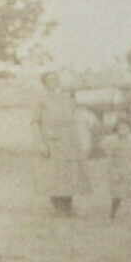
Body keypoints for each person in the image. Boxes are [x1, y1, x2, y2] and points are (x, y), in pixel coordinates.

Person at [31, 71, 92, 214]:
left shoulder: (67, 98)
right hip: (51, 140)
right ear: (44, 83)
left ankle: (68, 206)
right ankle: (58, 207)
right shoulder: (40, 99)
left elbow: (76, 117)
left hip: (69, 140)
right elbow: (35, 122)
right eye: (50, 79)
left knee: (69, 173)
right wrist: (41, 143)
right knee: (53, 173)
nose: (54, 81)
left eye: (56, 79)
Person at [104, 118, 131, 219]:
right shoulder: (112, 141)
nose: (123, 130)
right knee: (117, 192)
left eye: (125, 128)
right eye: (120, 128)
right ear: (116, 129)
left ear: (130, 129)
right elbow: (110, 158)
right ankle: (112, 214)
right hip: (119, 169)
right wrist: (113, 172)